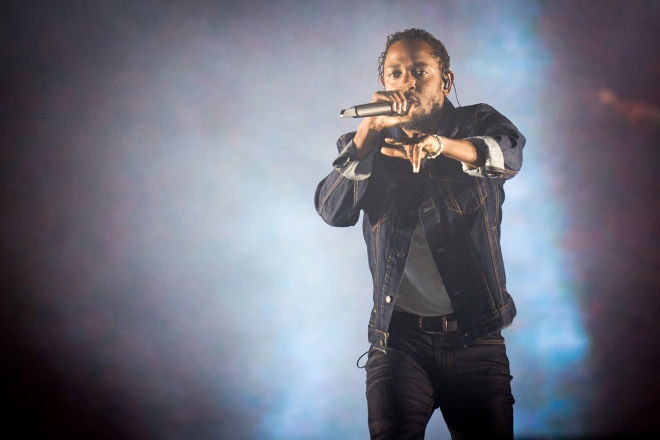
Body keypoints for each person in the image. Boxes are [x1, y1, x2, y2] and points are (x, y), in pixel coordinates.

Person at [314, 29, 525, 439]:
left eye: (419, 71)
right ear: (383, 84)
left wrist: (439, 146)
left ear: (445, 80)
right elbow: (331, 211)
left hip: (475, 336)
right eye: (395, 73)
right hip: (399, 342)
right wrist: (367, 134)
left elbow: (507, 155)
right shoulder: (367, 146)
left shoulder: (477, 122)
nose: (407, 82)